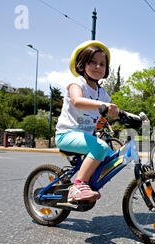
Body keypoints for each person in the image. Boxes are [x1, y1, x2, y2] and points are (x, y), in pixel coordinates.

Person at [56, 40, 133, 203]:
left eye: (102, 64)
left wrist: (136, 118)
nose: (98, 67)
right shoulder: (77, 83)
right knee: (100, 147)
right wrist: (103, 105)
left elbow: (115, 112)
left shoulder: (101, 92)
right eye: (93, 62)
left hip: (85, 137)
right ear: (82, 65)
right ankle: (78, 186)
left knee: (109, 154)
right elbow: (77, 100)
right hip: (66, 135)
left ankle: (87, 183)